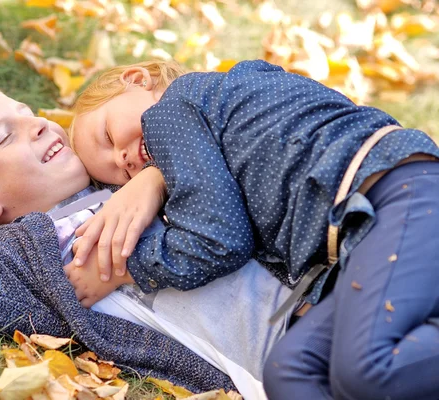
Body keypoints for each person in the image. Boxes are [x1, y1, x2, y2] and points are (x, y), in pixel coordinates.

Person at [0, 86, 293, 399]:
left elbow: (216, 138)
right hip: (279, 363)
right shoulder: (27, 256)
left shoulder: (120, 161)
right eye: (6, 135)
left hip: (319, 275)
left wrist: (153, 180)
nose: (40, 124)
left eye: (27, 111)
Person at [69, 59, 439, 399]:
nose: (121, 158)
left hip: (396, 190)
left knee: (365, 370)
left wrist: (125, 268)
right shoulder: (230, 111)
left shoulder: (172, 110)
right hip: (359, 236)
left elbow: (217, 240)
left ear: (136, 78)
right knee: (291, 371)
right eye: (118, 174)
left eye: (106, 135)